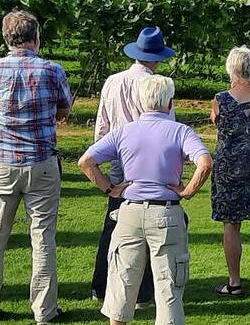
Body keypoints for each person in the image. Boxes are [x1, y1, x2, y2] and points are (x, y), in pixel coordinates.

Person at [78, 74, 213, 325]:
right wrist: (188, 191)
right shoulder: (180, 131)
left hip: (129, 212)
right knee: (169, 287)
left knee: (121, 284)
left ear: (141, 102)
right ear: (170, 103)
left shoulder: (124, 131)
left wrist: (110, 188)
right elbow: (205, 162)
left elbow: (86, 162)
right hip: (166, 213)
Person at [0, 10, 73, 324]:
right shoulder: (52, 70)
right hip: (41, 161)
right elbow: (64, 109)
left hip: (2, 161)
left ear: (7, 38)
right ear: (36, 38)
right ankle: (44, 311)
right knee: (43, 238)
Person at [91, 26, 176, 307]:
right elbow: (166, 128)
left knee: (113, 226)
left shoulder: (112, 81)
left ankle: (102, 286)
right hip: (148, 163)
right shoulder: (160, 86)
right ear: (157, 56)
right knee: (152, 230)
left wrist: (103, 156)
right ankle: (142, 293)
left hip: (117, 158)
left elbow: (102, 125)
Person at [210, 46, 250, 296]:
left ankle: (234, 281)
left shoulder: (220, 98)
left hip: (229, 168)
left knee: (231, 225)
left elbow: (216, 121)